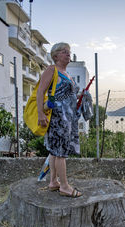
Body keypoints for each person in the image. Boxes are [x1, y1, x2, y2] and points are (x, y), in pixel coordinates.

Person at [37, 42, 82, 198]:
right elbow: (40, 92)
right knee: (60, 153)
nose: (68, 54)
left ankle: (53, 182)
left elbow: (69, 95)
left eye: (69, 51)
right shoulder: (52, 70)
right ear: (56, 56)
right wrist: (40, 114)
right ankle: (64, 186)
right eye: (64, 51)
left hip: (67, 119)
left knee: (56, 152)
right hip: (57, 118)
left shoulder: (67, 74)